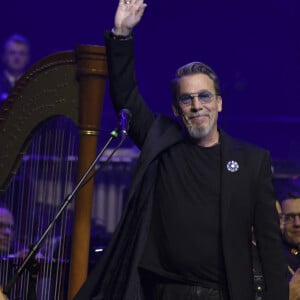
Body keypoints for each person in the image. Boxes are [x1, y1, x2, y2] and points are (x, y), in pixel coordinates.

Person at [75, 1, 288, 299]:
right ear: (177, 109)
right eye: (187, 99)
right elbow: (126, 95)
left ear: (219, 102)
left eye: (204, 96)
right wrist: (121, 34)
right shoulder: (162, 141)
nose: (197, 105)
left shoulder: (253, 161)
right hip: (161, 292)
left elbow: (269, 246)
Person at [0, 34, 30, 107]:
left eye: (21, 53)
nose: (17, 57)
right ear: (3, 57)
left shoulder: (33, 82)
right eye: (12, 53)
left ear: (28, 58)